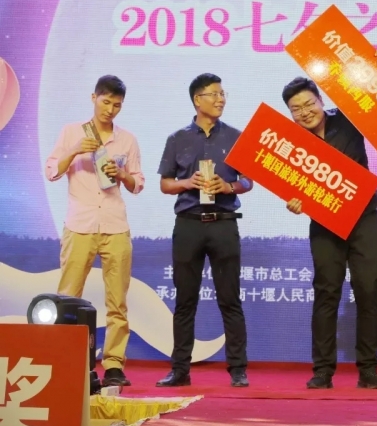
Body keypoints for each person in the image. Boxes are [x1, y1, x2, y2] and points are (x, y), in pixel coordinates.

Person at [282, 51, 377, 390]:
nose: (305, 112)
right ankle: (323, 371)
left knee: (369, 289)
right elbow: (290, 183)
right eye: (296, 109)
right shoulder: (289, 144)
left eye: (309, 104)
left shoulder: (347, 120)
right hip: (324, 223)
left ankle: (368, 369)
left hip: (364, 217)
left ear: (321, 100)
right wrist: (294, 201)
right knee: (326, 292)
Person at [45, 75, 144, 388]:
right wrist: (75, 150)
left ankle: (113, 364)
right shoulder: (72, 132)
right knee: (68, 296)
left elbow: (138, 184)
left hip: (115, 225)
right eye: (106, 102)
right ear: (94, 98)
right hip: (80, 225)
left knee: (118, 301)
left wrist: (123, 174)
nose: (110, 109)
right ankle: (64, 359)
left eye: (117, 105)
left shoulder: (127, 140)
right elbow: (52, 172)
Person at [155, 73, 253, 388]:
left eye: (223, 94)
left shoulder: (236, 136)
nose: (221, 99)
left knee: (230, 298)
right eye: (214, 94)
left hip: (224, 222)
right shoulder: (177, 138)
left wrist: (229, 186)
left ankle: (238, 369)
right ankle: (180, 370)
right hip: (189, 225)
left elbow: (248, 180)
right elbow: (165, 184)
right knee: (185, 300)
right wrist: (187, 183)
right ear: (198, 100)